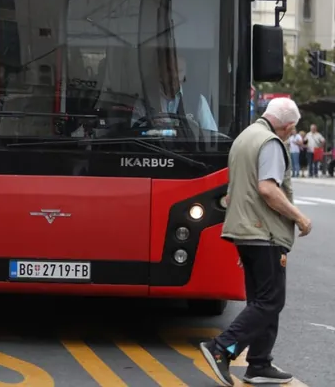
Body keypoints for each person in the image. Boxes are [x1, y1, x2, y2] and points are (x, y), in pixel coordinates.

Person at [199, 97, 312, 386]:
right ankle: (221, 347)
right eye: (291, 129)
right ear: (286, 125)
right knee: (270, 301)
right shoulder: (270, 143)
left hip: (246, 231)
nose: (290, 133)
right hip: (265, 233)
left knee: (262, 300)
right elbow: (267, 189)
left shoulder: (244, 137)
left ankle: (260, 363)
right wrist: (299, 217)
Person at [131, 54, 218, 132]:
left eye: (179, 71)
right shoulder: (144, 101)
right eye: (169, 71)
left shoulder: (198, 100)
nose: (174, 76)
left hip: (190, 149)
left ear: (185, 74)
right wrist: (150, 127)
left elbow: (211, 135)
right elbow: (134, 134)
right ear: (160, 72)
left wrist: (193, 128)